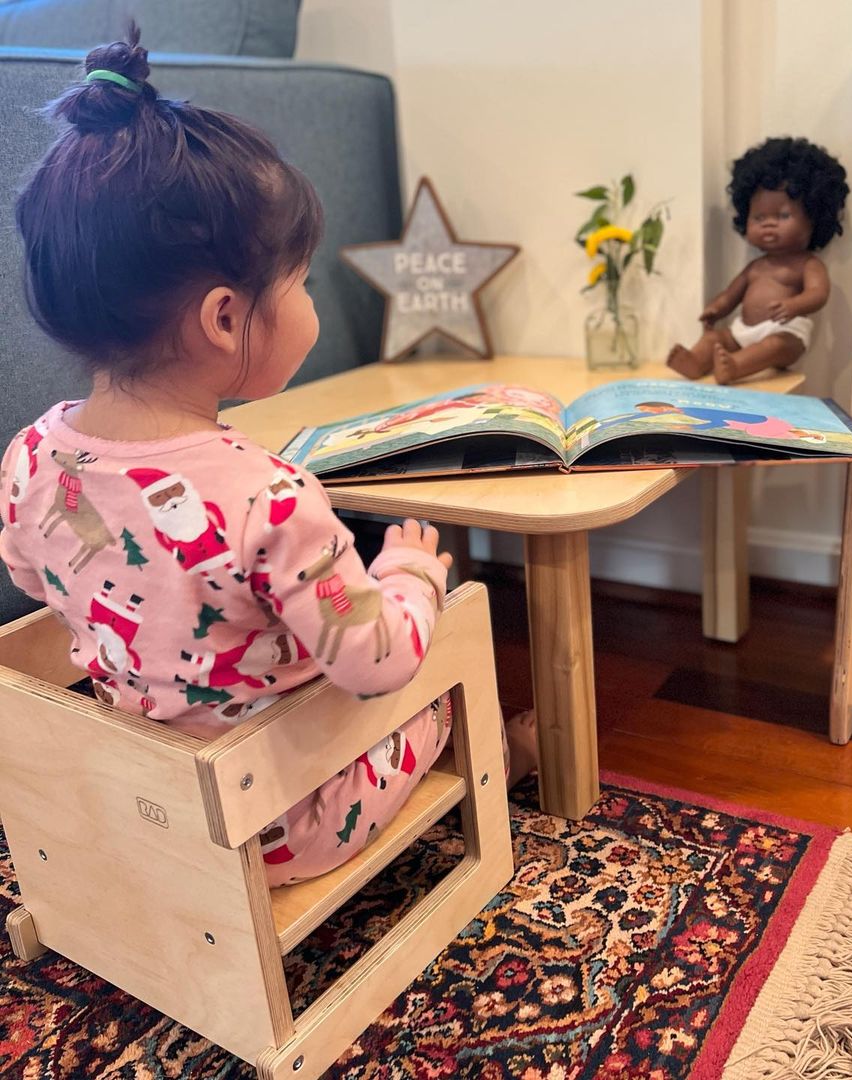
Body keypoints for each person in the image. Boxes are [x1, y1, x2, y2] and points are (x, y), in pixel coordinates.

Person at [0, 29, 535, 887]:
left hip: (142, 798)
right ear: (223, 318)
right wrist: (410, 577)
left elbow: (34, 582)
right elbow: (374, 659)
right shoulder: (272, 499)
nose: (310, 298)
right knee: (440, 673)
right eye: (303, 281)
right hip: (283, 818)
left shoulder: (31, 456)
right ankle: (505, 756)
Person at [666, 137, 848, 385]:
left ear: (814, 218)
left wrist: (795, 305)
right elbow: (732, 294)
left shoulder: (807, 264)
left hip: (786, 330)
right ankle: (696, 362)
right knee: (714, 339)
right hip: (742, 331)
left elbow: (819, 293)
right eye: (759, 217)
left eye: (783, 215)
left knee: (774, 346)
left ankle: (735, 367)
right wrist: (717, 309)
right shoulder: (757, 267)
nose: (769, 223)